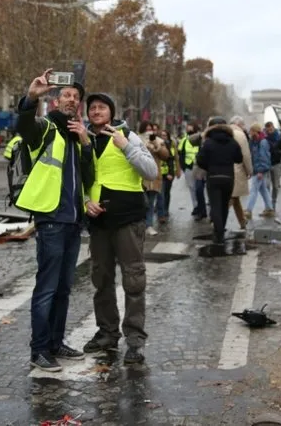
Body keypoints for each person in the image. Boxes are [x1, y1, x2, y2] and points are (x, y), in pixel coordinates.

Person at [16, 69, 95, 372]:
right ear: (56, 99)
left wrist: (86, 143)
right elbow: (25, 127)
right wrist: (31, 96)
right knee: (47, 287)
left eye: (76, 97)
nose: (72, 99)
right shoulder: (46, 128)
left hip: (73, 222)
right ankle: (39, 350)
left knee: (63, 288)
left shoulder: (77, 136)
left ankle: (55, 342)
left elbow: (88, 178)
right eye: (67, 95)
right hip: (51, 218)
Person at [82, 93, 157, 364]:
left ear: (111, 113)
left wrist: (126, 145)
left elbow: (150, 171)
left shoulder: (129, 135)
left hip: (128, 220)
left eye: (102, 107)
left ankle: (135, 340)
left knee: (133, 280)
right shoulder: (83, 139)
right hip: (99, 222)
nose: (96, 111)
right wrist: (84, 203)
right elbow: (80, 179)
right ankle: (107, 333)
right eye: (92, 108)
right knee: (101, 280)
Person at [196, 117, 243, 244]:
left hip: (213, 177)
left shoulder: (208, 142)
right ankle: (221, 229)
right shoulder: (233, 142)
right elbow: (239, 159)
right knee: (224, 206)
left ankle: (219, 232)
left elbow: (199, 160)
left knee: (215, 205)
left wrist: (209, 167)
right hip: (228, 177)